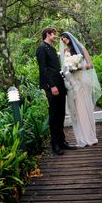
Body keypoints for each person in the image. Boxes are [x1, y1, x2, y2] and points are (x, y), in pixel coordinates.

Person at [36, 27, 76, 155]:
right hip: (52, 86)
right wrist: (52, 86)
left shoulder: (52, 48)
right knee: (54, 116)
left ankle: (62, 141)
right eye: (54, 34)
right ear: (48, 34)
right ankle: (55, 144)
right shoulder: (41, 48)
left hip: (60, 85)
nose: (55, 37)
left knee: (61, 114)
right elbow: (43, 69)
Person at [59, 31, 102, 147]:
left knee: (86, 108)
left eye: (65, 38)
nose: (64, 40)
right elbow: (64, 69)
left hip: (83, 82)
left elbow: (90, 65)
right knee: (77, 110)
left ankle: (90, 136)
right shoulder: (64, 52)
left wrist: (78, 67)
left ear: (70, 37)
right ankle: (81, 138)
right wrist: (68, 70)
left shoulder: (81, 48)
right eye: (62, 39)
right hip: (73, 83)